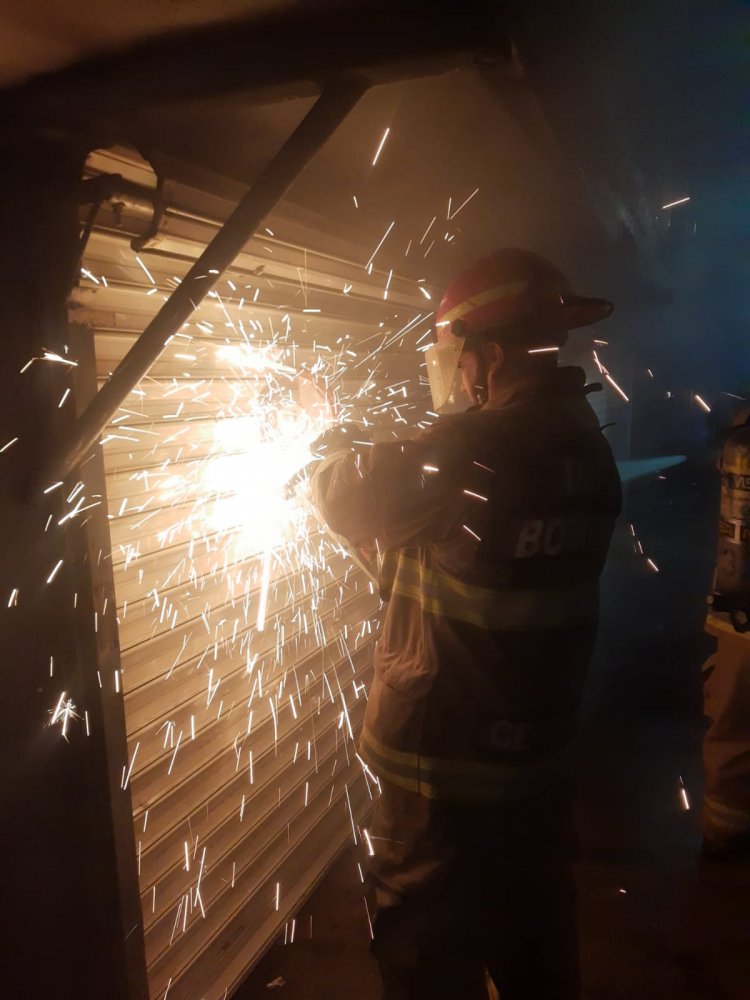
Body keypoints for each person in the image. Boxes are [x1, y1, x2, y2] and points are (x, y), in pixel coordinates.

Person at [311, 248, 622, 999]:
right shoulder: (586, 449)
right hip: (535, 765)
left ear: (485, 357)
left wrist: (325, 440)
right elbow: (459, 556)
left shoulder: (473, 448)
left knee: (425, 956)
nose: (447, 371)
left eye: (452, 354)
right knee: (535, 942)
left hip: (440, 772)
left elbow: (346, 495)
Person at [702, 403, 750, 860]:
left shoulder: (742, 439)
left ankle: (723, 847)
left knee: (735, 725)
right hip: (740, 609)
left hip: (741, 615)